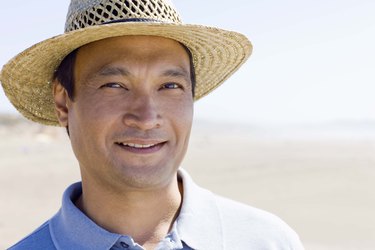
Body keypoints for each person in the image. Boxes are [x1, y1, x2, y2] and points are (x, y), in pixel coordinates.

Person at [0, 0, 304, 249]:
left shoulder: (268, 242)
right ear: (64, 103)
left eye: (170, 86)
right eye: (115, 85)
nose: (146, 118)